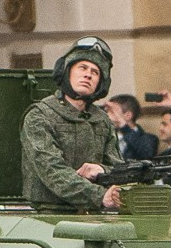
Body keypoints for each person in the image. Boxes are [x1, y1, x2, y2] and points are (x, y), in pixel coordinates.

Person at [19, 37, 123, 212]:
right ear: (67, 71)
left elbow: (118, 168)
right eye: (82, 67)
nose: (88, 74)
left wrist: (102, 169)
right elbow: (52, 170)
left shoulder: (102, 120)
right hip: (49, 215)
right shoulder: (39, 116)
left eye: (95, 72)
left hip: (95, 214)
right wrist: (99, 196)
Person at [104, 94, 158, 161]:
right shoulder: (107, 137)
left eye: (112, 112)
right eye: (107, 112)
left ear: (128, 116)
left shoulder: (148, 139)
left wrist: (122, 125)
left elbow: (147, 154)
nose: (107, 116)